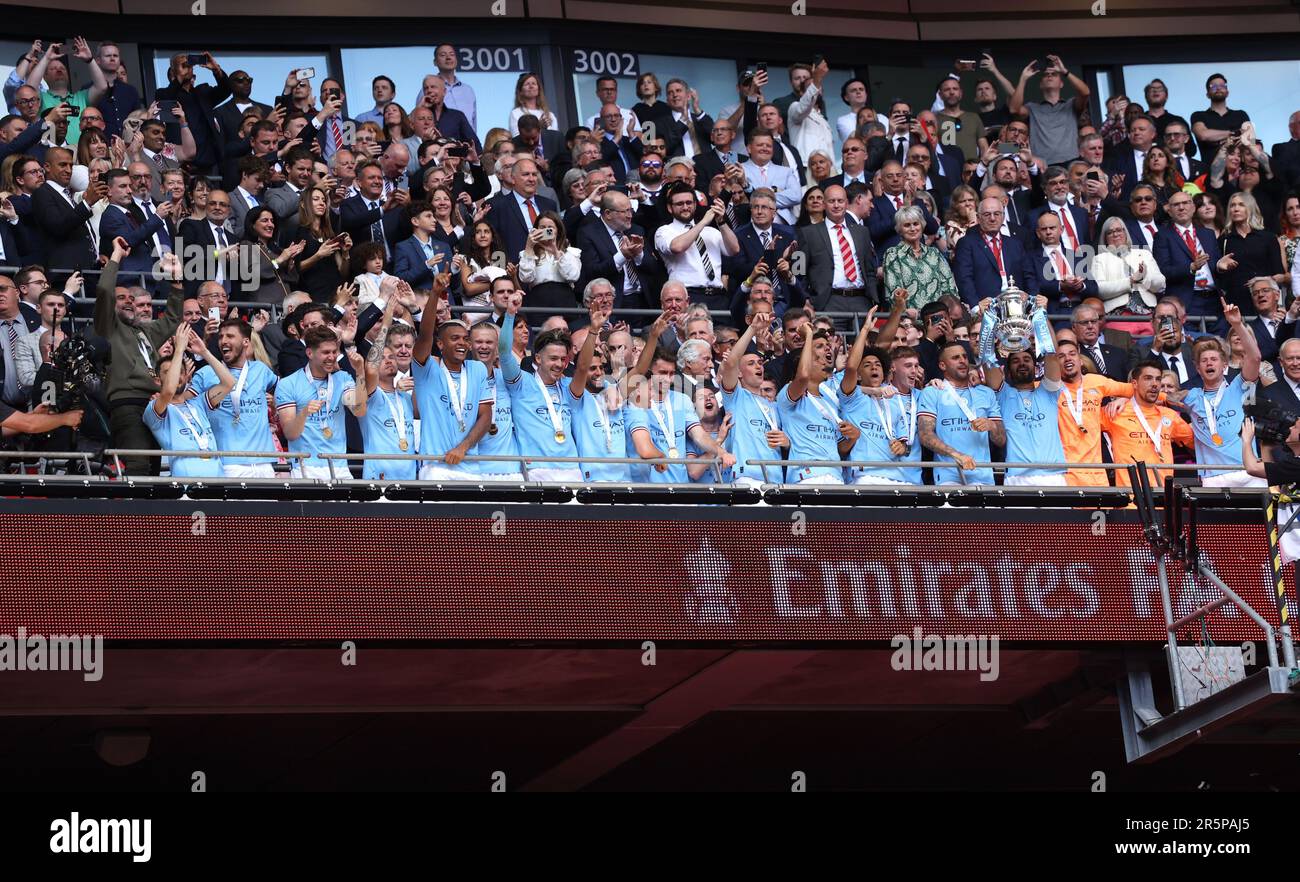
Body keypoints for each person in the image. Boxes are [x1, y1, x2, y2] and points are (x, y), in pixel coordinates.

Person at [1165, 298, 1264, 487]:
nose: (1209, 363)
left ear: (1225, 365)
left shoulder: (1239, 386)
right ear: (1197, 368)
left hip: (1248, 470)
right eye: (1204, 361)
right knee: (1216, 518)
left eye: (1214, 359)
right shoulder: (1191, 396)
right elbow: (1158, 397)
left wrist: (1237, 324)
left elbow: (1255, 357)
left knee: (1258, 518)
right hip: (1213, 476)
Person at [275, 325, 367, 480]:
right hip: (305, 467)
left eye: (334, 352)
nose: (331, 357)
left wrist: (360, 372)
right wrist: (303, 413)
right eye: (325, 352)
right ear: (309, 353)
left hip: (339, 468)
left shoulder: (343, 378)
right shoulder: (288, 384)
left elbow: (359, 410)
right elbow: (290, 434)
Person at [144, 322, 235, 478]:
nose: (177, 376)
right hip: (186, 482)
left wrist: (204, 352)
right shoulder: (155, 407)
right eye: (169, 372)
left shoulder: (198, 403)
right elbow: (168, 391)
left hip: (217, 477)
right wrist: (179, 349)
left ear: (186, 377)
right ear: (158, 381)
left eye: (180, 372)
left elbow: (229, 383)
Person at [191, 318, 279, 478]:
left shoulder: (261, 370)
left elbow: (285, 392)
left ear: (246, 342)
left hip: (264, 462)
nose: (223, 341)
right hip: (228, 462)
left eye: (230, 336)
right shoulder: (206, 373)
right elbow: (187, 408)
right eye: (221, 337)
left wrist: (274, 403)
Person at [981, 336, 1068, 486]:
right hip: (1016, 477)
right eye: (1015, 361)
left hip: (1053, 476)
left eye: (1027, 360)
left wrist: (1041, 317)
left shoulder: (1049, 392)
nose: (1021, 363)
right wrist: (989, 326)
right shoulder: (1002, 395)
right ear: (1007, 371)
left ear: (1036, 368)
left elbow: (1052, 354)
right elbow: (987, 359)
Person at [916, 340, 1004, 485]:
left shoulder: (986, 392)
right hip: (948, 476)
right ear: (942, 365)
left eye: (964, 356)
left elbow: (1001, 440)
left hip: (983, 477)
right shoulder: (932, 392)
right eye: (955, 358)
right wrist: (956, 455)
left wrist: (992, 426)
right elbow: (925, 435)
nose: (962, 361)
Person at [1101, 359, 1195, 488]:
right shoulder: (1116, 411)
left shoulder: (1169, 415)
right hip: (1131, 499)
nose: (1155, 384)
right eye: (1148, 378)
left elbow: (1197, 443)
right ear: (1134, 383)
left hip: (1163, 496)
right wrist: (1124, 397)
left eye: (1158, 379)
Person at [566, 301, 630, 482]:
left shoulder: (612, 388)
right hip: (593, 477)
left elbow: (638, 370)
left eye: (601, 367)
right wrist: (594, 331)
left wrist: (654, 337)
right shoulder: (576, 395)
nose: (599, 372)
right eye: (593, 368)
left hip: (624, 479)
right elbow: (582, 367)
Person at [1008, 54, 1091, 166]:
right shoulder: (1032, 108)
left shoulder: (1070, 104)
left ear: (1061, 84)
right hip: (1043, 164)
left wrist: (1064, 71)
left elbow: (1085, 92)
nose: (1049, 76)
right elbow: (1014, 109)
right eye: (1046, 74)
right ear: (1041, 85)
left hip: (1071, 161)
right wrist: (1023, 79)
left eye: (1054, 74)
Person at [359, 334, 417, 482]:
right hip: (378, 479)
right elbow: (370, 373)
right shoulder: (370, 395)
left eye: (391, 357)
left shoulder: (405, 398)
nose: (388, 360)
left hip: (409, 479)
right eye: (381, 358)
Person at [1218, 191, 1285, 311]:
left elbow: (1280, 274)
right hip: (1235, 301)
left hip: (1264, 300)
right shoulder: (1224, 240)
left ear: (1250, 208)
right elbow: (1218, 278)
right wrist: (1219, 266)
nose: (1236, 209)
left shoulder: (1268, 238)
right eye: (1232, 205)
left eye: (1241, 205)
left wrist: (1261, 281)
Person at [883, 206, 958, 311]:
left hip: (938, 318)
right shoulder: (893, 254)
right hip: (908, 319)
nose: (913, 229)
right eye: (907, 225)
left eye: (915, 224)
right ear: (899, 229)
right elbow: (894, 292)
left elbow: (949, 288)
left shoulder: (934, 253)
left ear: (922, 226)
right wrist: (909, 318)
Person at [1091, 216, 1165, 315]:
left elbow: (1161, 285)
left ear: (1125, 233)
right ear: (1105, 238)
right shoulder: (1099, 259)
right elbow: (1099, 290)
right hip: (1118, 314)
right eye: (1110, 232)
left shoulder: (1144, 254)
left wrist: (1144, 278)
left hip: (1149, 313)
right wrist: (1130, 281)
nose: (1115, 234)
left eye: (1119, 230)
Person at [517, 211, 582, 312]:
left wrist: (556, 253)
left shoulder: (570, 252)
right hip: (538, 301)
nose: (546, 230)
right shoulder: (528, 253)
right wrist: (529, 247)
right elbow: (526, 278)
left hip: (565, 301)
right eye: (542, 227)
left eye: (550, 228)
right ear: (536, 230)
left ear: (558, 231)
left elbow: (573, 276)